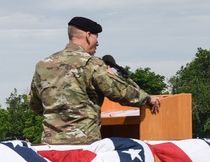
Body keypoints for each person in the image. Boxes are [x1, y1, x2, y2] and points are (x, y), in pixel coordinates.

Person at [29, 16, 161, 144]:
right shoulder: (91, 64)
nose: (97, 42)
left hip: (50, 146)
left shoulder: (43, 65)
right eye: (96, 37)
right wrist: (148, 99)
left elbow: (34, 104)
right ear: (88, 36)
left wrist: (60, 115)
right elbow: (119, 92)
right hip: (83, 145)